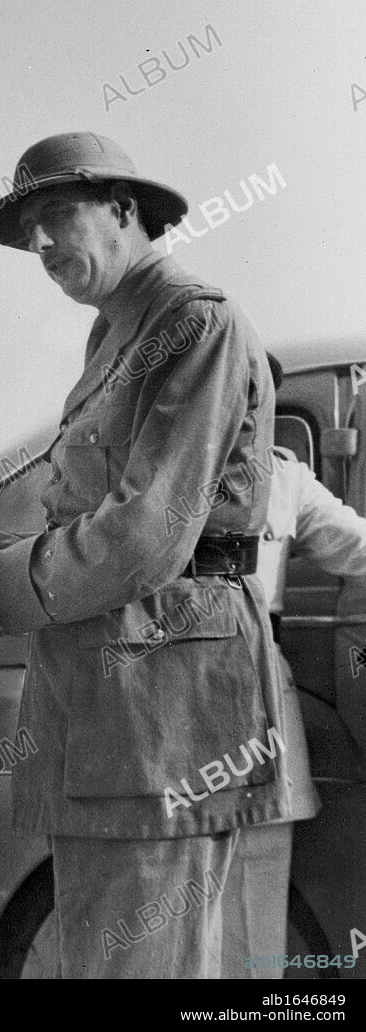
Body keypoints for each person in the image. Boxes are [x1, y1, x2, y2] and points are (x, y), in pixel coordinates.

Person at [0, 131, 293, 978]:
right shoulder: (119, 329)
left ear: (125, 209)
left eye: (57, 215)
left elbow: (144, 537)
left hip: (165, 709)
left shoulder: (192, 318)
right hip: (119, 706)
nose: (42, 245)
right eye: (29, 234)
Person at [224, 354, 366, 976]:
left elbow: (356, 546)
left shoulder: (283, 479)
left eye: (258, 399)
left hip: (256, 694)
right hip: (160, 698)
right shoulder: (147, 478)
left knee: (257, 895)